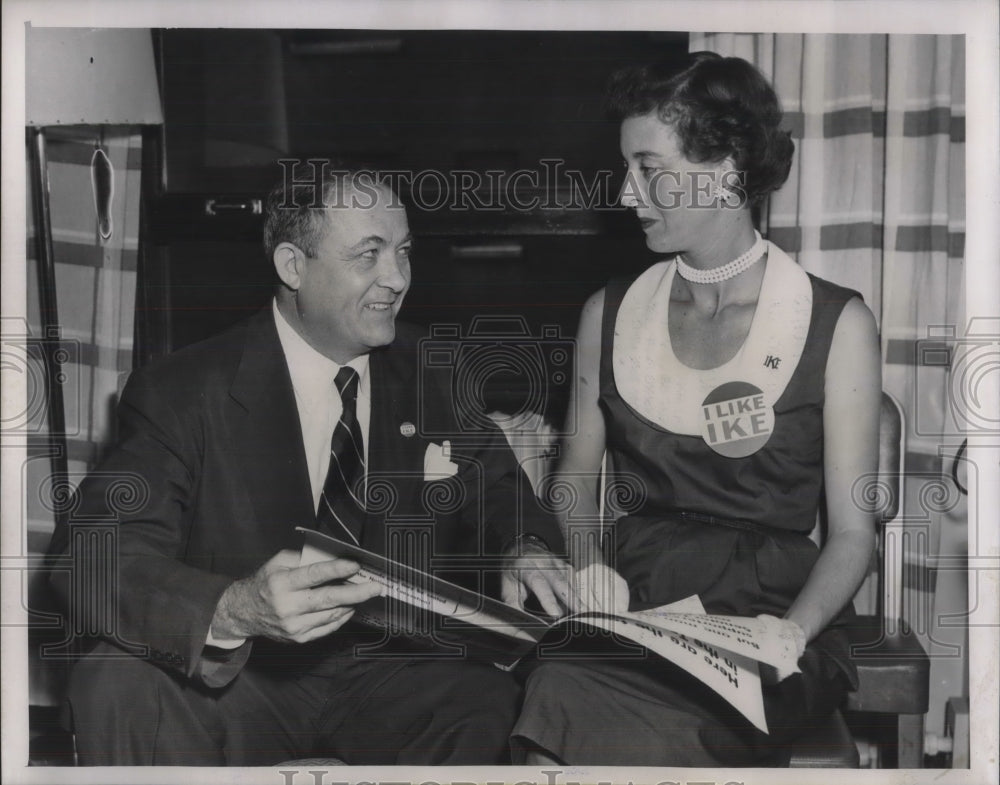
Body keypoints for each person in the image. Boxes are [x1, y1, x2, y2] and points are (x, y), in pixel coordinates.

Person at [47, 167, 573, 766]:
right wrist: (233, 606)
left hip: (395, 674)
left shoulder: (437, 371)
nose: (397, 279)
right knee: (116, 679)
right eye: (368, 256)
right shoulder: (186, 392)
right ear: (293, 266)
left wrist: (523, 545)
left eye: (403, 253)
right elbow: (89, 556)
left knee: (494, 699)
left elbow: (498, 491)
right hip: (246, 678)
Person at [511, 52, 882, 766]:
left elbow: (851, 536)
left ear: (727, 169)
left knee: (658, 723)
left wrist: (792, 633)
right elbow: (574, 479)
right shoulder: (609, 312)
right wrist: (588, 565)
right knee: (555, 687)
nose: (627, 193)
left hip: (775, 613)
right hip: (638, 599)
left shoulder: (838, 324)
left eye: (649, 169)